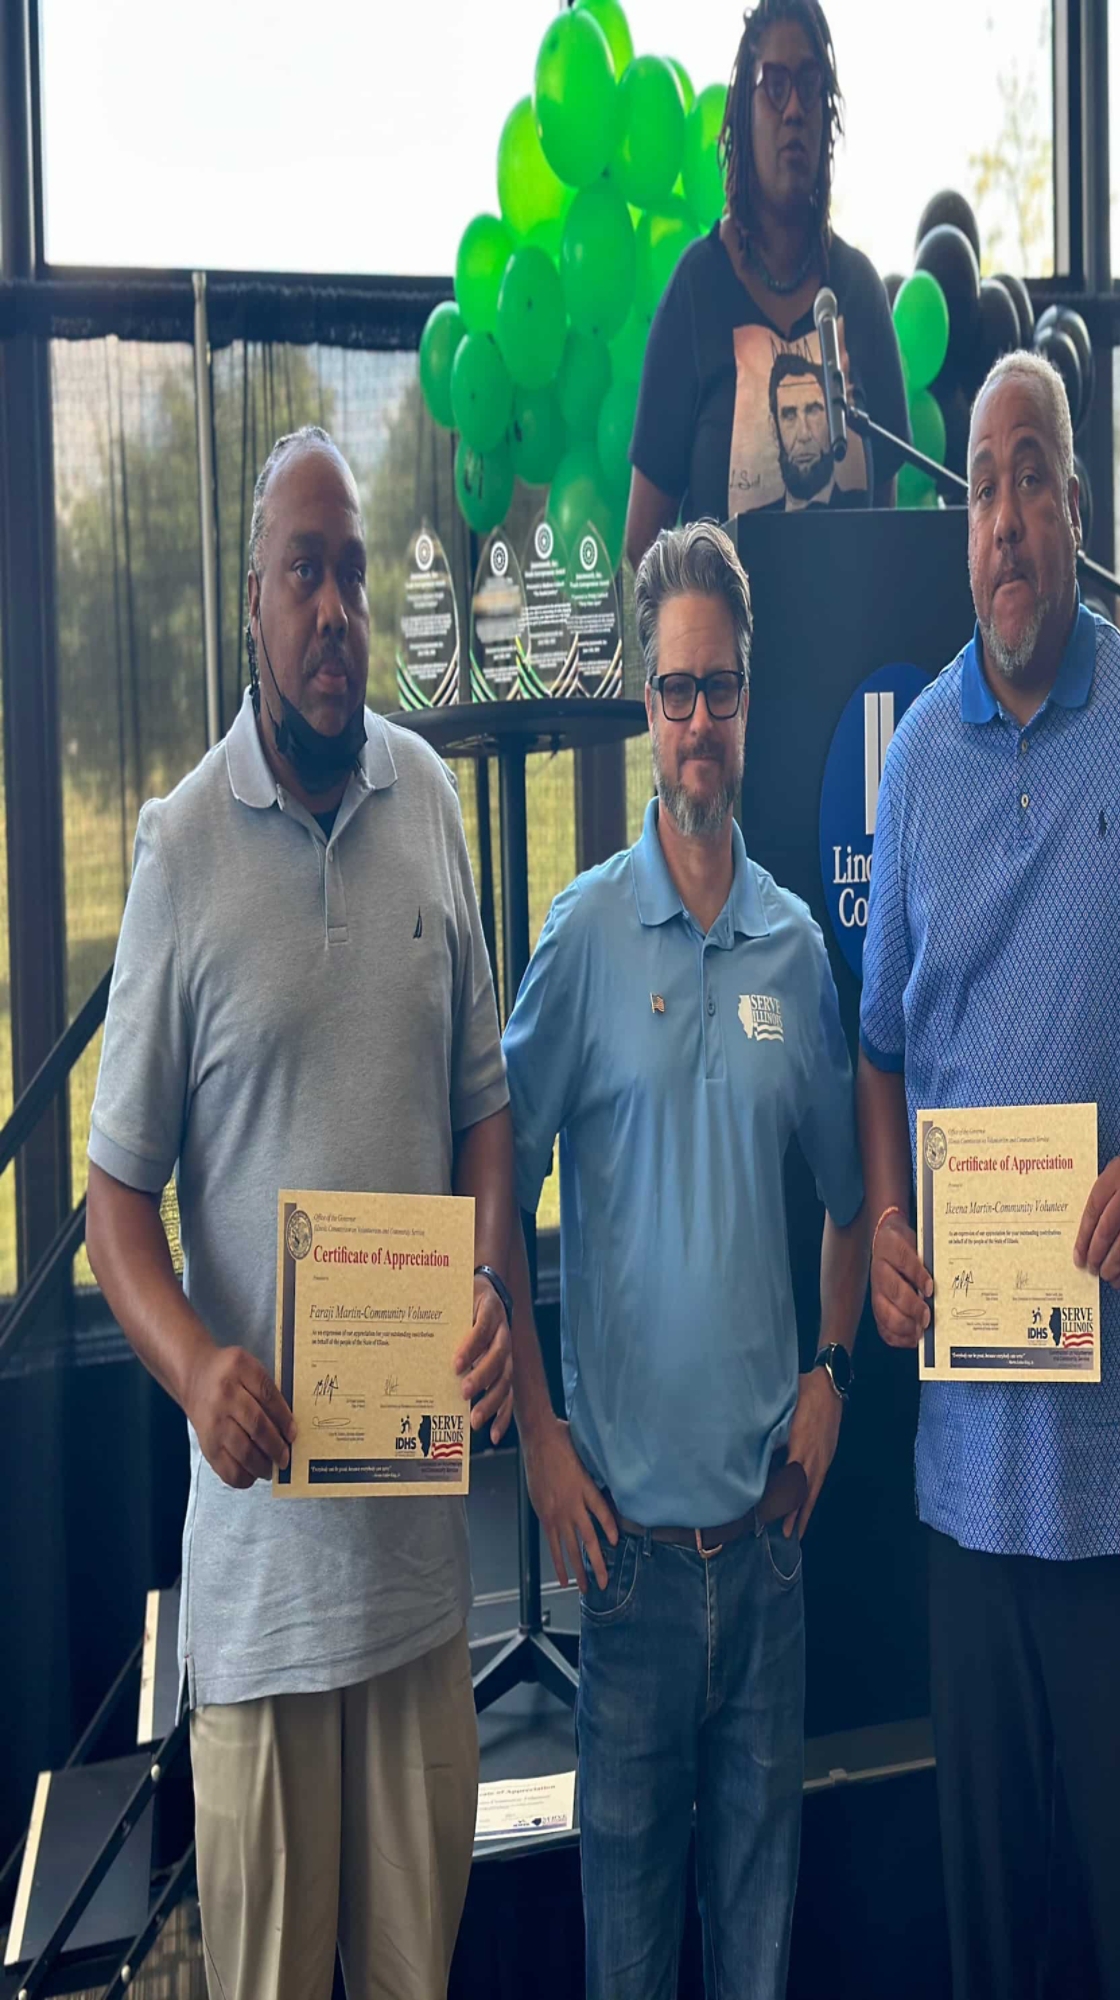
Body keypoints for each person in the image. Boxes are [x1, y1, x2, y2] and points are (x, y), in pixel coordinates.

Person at [856, 350, 1120, 2000]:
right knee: (998, 1948)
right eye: (980, 485)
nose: (1006, 517)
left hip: (1117, 1501)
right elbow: (878, 1043)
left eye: (1032, 477)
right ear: (959, 528)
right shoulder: (911, 769)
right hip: (968, 1487)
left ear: (1073, 512)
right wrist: (888, 1222)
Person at [85, 426, 516, 2000]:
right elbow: (113, 1203)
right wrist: (201, 1370)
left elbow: (486, 1108)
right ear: (253, 607)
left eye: (352, 574)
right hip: (263, 1604)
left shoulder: (431, 805)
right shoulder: (179, 851)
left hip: (417, 1583)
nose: (336, 608)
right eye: (304, 576)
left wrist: (481, 1290)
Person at [502, 519, 867, 1999]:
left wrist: (833, 1369)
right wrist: (533, 1437)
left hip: (767, 1560)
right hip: (628, 1580)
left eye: (718, 688)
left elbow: (852, 1200)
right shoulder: (581, 940)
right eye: (673, 692)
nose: (698, 719)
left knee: (759, 1964)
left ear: (745, 692)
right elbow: (489, 1186)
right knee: (629, 1971)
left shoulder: (795, 949)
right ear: (643, 712)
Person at [624, 0, 908, 570]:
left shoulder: (859, 294)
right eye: (774, 86)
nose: (796, 108)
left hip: (850, 654)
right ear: (741, 114)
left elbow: (885, 538)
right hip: (724, 658)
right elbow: (640, 553)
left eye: (810, 85)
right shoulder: (696, 293)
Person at [761, 348, 860, 510]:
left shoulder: (856, 505)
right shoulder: (750, 522)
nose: (804, 434)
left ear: (832, 419)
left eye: (813, 411)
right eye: (790, 415)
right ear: (774, 428)